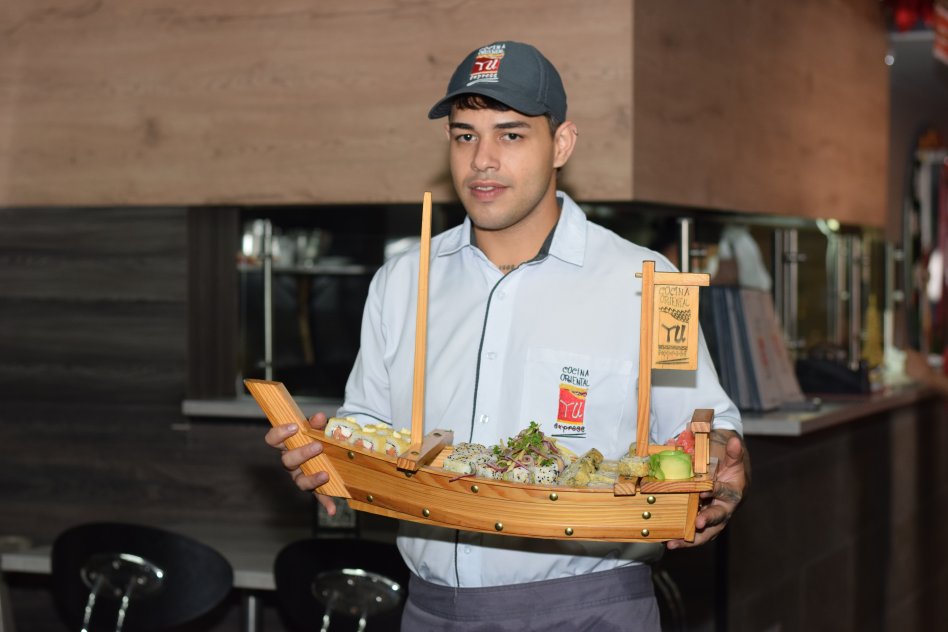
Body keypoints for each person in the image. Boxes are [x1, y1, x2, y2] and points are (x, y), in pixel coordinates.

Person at [267, 40, 749, 631]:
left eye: (511, 134)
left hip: (588, 611)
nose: (482, 160)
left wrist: (721, 459)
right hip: (430, 610)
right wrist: (327, 457)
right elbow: (368, 428)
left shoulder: (650, 282)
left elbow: (706, 429)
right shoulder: (402, 281)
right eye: (465, 135)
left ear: (562, 144)